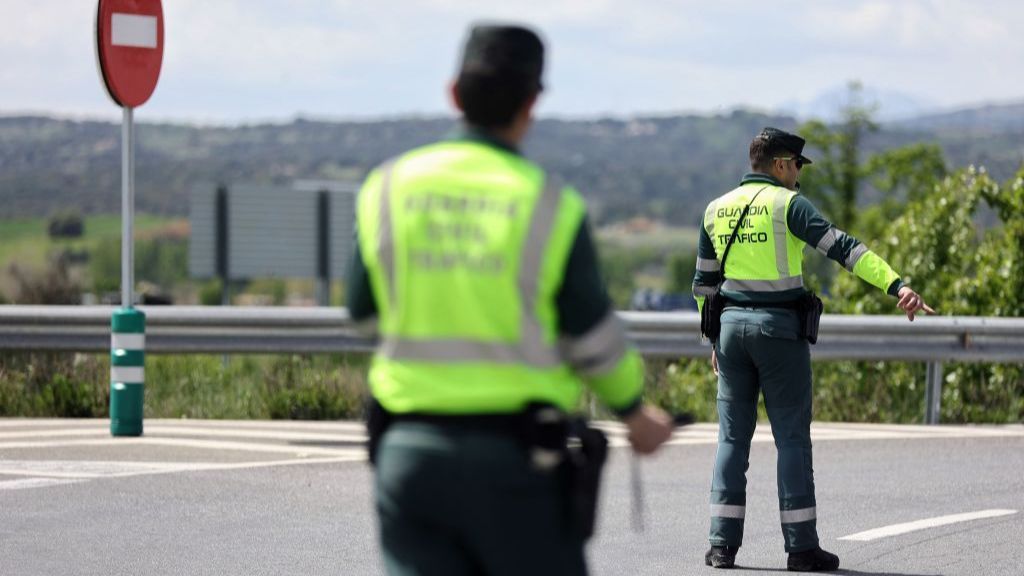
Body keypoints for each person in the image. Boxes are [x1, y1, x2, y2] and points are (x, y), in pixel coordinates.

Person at [347, 23, 675, 576]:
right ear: (532, 103)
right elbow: (593, 338)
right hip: (518, 465)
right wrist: (634, 411)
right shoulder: (550, 204)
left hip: (409, 455)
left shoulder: (388, 186)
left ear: (454, 94)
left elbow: (362, 313)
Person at [692, 127, 935, 572]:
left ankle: (721, 546)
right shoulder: (789, 205)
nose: (798, 177)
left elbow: (704, 286)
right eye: (797, 167)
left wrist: (712, 341)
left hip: (729, 333)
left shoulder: (715, 210)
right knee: (790, 440)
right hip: (779, 333)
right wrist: (896, 285)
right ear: (782, 164)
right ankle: (801, 548)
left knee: (731, 439)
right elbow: (844, 248)